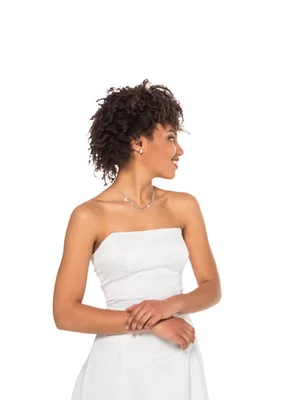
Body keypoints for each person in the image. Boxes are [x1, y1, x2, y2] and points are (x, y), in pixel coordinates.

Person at [52, 80, 221, 400]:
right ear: (137, 142)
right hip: (118, 364)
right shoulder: (89, 216)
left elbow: (211, 286)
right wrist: (152, 323)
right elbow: (65, 313)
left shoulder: (184, 206)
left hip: (178, 357)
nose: (179, 150)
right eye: (171, 138)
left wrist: (167, 307)